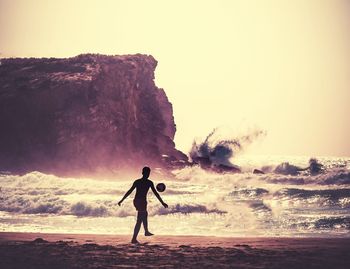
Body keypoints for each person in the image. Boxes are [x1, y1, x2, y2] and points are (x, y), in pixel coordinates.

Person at [118, 166, 168, 244]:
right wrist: (122, 200)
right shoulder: (141, 182)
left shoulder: (148, 182)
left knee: (144, 215)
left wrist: (162, 202)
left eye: (148, 173)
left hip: (140, 202)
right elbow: (129, 191)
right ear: (143, 173)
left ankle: (145, 231)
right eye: (146, 173)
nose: (147, 175)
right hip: (139, 201)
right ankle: (134, 238)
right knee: (139, 220)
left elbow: (156, 193)